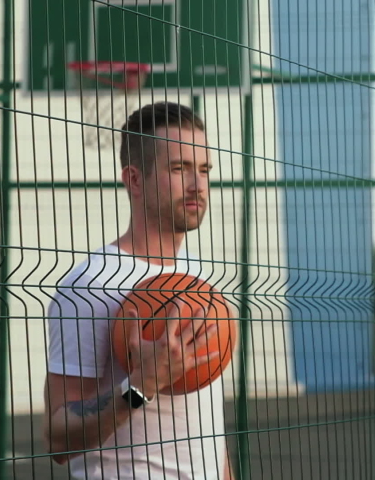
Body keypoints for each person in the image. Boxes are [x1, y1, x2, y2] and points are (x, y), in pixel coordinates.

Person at [42, 101, 235, 480]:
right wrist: (141, 385)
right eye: (179, 169)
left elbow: (205, 420)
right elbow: (58, 439)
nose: (197, 185)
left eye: (204, 170)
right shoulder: (91, 285)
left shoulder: (194, 273)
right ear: (133, 179)